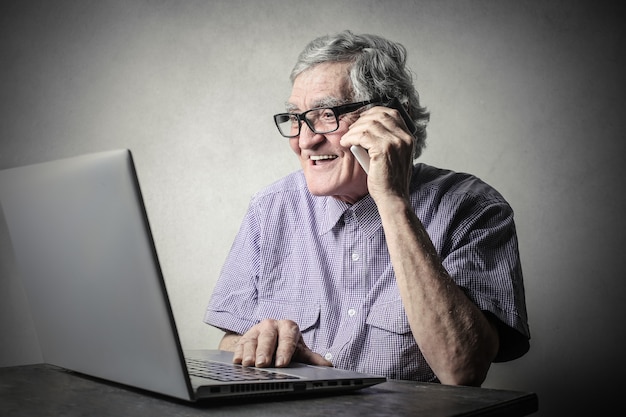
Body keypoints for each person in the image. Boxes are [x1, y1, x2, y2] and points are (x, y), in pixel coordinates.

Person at [204, 30, 530, 386]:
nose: (305, 139)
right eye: (296, 117)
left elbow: (463, 370)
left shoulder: (473, 208)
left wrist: (392, 201)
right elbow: (228, 344)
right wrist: (260, 346)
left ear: (392, 119)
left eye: (327, 114)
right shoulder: (270, 209)